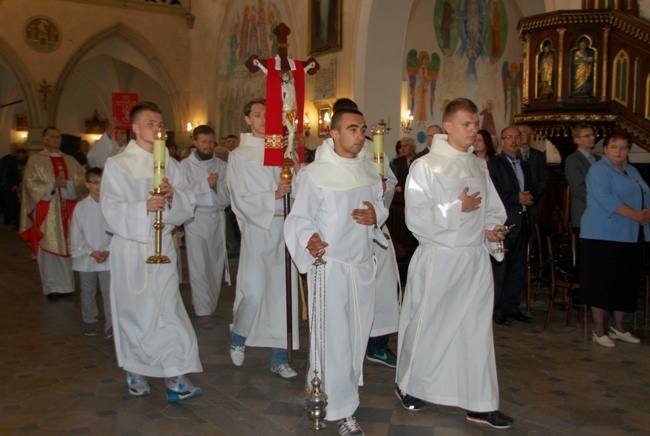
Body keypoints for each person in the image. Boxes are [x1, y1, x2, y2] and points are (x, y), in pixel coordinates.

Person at [395, 98, 513, 429]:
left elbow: (491, 208)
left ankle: (480, 403)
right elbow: (415, 218)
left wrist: (494, 229)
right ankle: (408, 384)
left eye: (476, 124)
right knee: (428, 325)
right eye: (467, 124)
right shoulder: (426, 167)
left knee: (476, 332)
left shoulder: (478, 165)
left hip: (474, 258)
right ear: (448, 127)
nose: (474, 129)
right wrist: (455, 207)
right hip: (440, 257)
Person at [285, 108, 388, 436]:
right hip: (329, 268)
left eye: (363, 129)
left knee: (356, 338)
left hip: (361, 268)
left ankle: (327, 388)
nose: (361, 135)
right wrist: (309, 239)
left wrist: (376, 215)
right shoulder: (315, 174)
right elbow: (299, 218)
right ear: (334, 134)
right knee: (333, 340)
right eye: (353, 129)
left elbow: (379, 208)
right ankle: (343, 413)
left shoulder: (370, 171)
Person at [101, 101, 202, 402]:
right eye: (150, 123)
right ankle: (135, 369)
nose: (157, 128)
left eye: (160, 123)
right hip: (132, 247)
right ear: (133, 128)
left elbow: (188, 202)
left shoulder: (169, 162)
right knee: (136, 312)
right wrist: (143, 207)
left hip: (164, 247)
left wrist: (173, 198)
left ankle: (174, 374)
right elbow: (109, 210)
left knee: (167, 308)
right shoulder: (118, 164)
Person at [226, 98, 299, 379]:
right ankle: (239, 337)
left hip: (285, 229)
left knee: (282, 296)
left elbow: (300, 185)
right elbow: (239, 198)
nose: (262, 119)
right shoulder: (239, 156)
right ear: (247, 119)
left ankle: (279, 358)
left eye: (267, 115)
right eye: (257, 114)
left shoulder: (284, 150)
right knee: (254, 291)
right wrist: (275, 195)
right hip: (258, 229)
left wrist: (296, 177)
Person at [579, 131, 650, 347]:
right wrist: (636, 214)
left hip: (628, 234)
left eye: (623, 148)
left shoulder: (631, 170)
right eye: (614, 147)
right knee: (601, 283)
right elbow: (606, 198)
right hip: (601, 235)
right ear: (605, 149)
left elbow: (645, 193)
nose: (618, 151)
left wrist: (645, 213)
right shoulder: (598, 170)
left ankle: (618, 327)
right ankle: (599, 331)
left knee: (624, 283)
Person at [19, 127, 85, 301]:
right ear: (44, 139)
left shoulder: (70, 160)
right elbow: (30, 184)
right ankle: (53, 287)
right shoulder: (35, 161)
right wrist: (52, 185)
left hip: (68, 209)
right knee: (49, 247)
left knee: (69, 245)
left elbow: (82, 181)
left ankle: (68, 285)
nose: (56, 140)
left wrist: (68, 185)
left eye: (58, 136)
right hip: (48, 213)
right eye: (52, 137)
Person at [179, 124, 231, 327]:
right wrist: (205, 185)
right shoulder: (185, 166)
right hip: (196, 218)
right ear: (195, 142)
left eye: (211, 141)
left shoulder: (222, 165)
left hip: (217, 218)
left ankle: (211, 303)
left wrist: (218, 186)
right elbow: (182, 192)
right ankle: (202, 310)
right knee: (199, 264)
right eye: (204, 142)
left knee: (215, 263)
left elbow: (229, 192)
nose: (208, 145)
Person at [488, 126, 537, 326]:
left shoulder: (525, 165)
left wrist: (530, 197)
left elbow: (531, 188)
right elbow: (493, 192)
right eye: (509, 137)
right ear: (502, 141)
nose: (514, 140)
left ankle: (511, 306)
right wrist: (516, 197)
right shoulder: (494, 164)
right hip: (504, 223)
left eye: (518, 137)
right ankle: (497, 308)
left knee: (518, 268)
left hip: (522, 221)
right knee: (501, 268)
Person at [71, 167, 112, 339]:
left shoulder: (111, 205)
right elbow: (76, 232)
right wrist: (90, 251)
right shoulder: (81, 207)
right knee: (87, 292)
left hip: (108, 256)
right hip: (87, 257)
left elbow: (116, 230)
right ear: (87, 185)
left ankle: (111, 325)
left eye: (103, 181)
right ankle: (90, 321)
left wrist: (108, 250)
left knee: (109, 293)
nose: (99, 186)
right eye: (95, 182)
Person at [565, 124, 599, 233]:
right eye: (587, 135)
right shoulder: (573, 160)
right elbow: (579, 189)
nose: (592, 138)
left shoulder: (599, 159)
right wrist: (602, 201)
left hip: (602, 214)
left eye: (593, 135)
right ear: (577, 140)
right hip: (585, 211)